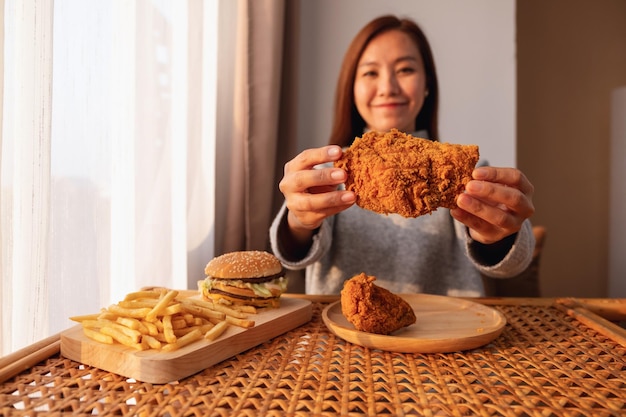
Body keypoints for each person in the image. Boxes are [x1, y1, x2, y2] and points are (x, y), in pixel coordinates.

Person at [269, 15, 535, 296]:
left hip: (449, 333)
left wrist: (498, 236)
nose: (388, 87)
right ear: (352, 88)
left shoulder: (466, 173)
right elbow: (291, 258)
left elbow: (513, 264)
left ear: (427, 84)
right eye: (370, 73)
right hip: (341, 332)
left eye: (405, 69)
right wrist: (298, 222)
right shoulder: (328, 174)